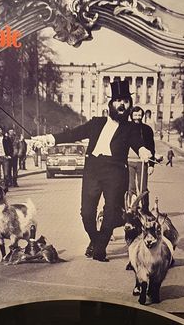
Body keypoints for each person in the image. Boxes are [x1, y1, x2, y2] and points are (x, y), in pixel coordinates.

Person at [34, 79, 152, 262]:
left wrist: (144, 151)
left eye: (125, 101)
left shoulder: (131, 128)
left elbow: (138, 143)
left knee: (110, 213)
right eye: (118, 101)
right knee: (87, 213)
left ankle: (100, 249)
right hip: (92, 170)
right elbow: (73, 134)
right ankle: (97, 240)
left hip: (115, 172)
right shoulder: (96, 123)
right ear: (111, 104)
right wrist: (49, 138)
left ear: (130, 105)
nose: (122, 104)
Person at [127, 105, 155, 211]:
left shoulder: (147, 129)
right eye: (135, 115)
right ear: (131, 116)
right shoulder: (126, 128)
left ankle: (145, 208)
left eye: (139, 115)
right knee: (131, 187)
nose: (137, 117)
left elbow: (151, 147)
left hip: (142, 162)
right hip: (129, 161)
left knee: (143, 187)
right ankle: (132, 208)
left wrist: (152, 165)